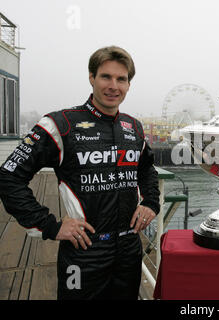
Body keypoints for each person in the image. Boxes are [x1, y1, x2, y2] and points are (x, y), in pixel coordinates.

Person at [0, 46, 160, 299]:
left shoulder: (134, 126)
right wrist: (50, 225)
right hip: (84, 250)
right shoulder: (59, 123)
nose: (113, 86)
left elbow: (146, 169)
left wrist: (151, 203)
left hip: (129, 248)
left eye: (121, 79)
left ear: (129, 84)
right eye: (106, 76)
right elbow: (8, 176)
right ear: (91, 77)